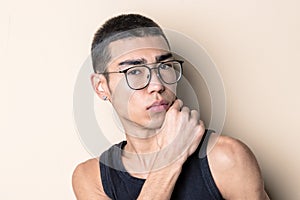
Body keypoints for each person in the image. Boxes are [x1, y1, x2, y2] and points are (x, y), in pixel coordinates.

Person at [72, 14, 270, 200]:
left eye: (164, 66)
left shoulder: (227, 157)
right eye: (134, 71)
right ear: (101, 86)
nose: (157, 84)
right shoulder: (92, 178)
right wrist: (170, 157)